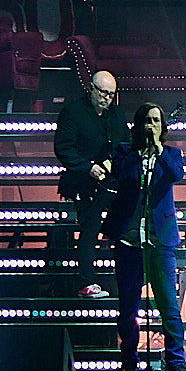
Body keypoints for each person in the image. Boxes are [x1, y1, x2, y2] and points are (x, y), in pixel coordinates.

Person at [94, 103, 186, 371]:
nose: (151, 125)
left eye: (156, 121)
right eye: (147, 120)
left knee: (168, 304)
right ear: (138, 124)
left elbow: (175, 175)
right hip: (129, 242)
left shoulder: (171, 154)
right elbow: (121, 177)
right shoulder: (125, 153)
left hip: (160, 244)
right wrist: (140, 154)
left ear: (163, 126)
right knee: (128, 306)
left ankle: (176, 363)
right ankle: (129, 364)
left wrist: (157, 151)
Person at [53, 70, 127, 279]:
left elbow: (124, 144)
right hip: (82, 182)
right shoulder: (73, 112)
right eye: (103, 92)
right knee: (89, 228)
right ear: (91, 89)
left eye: (111, 94)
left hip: (110, 182)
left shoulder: (116, 115)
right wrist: (87, 167)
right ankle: (87, 279)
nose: (107, 98)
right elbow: (63, 148)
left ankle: (120, 275)